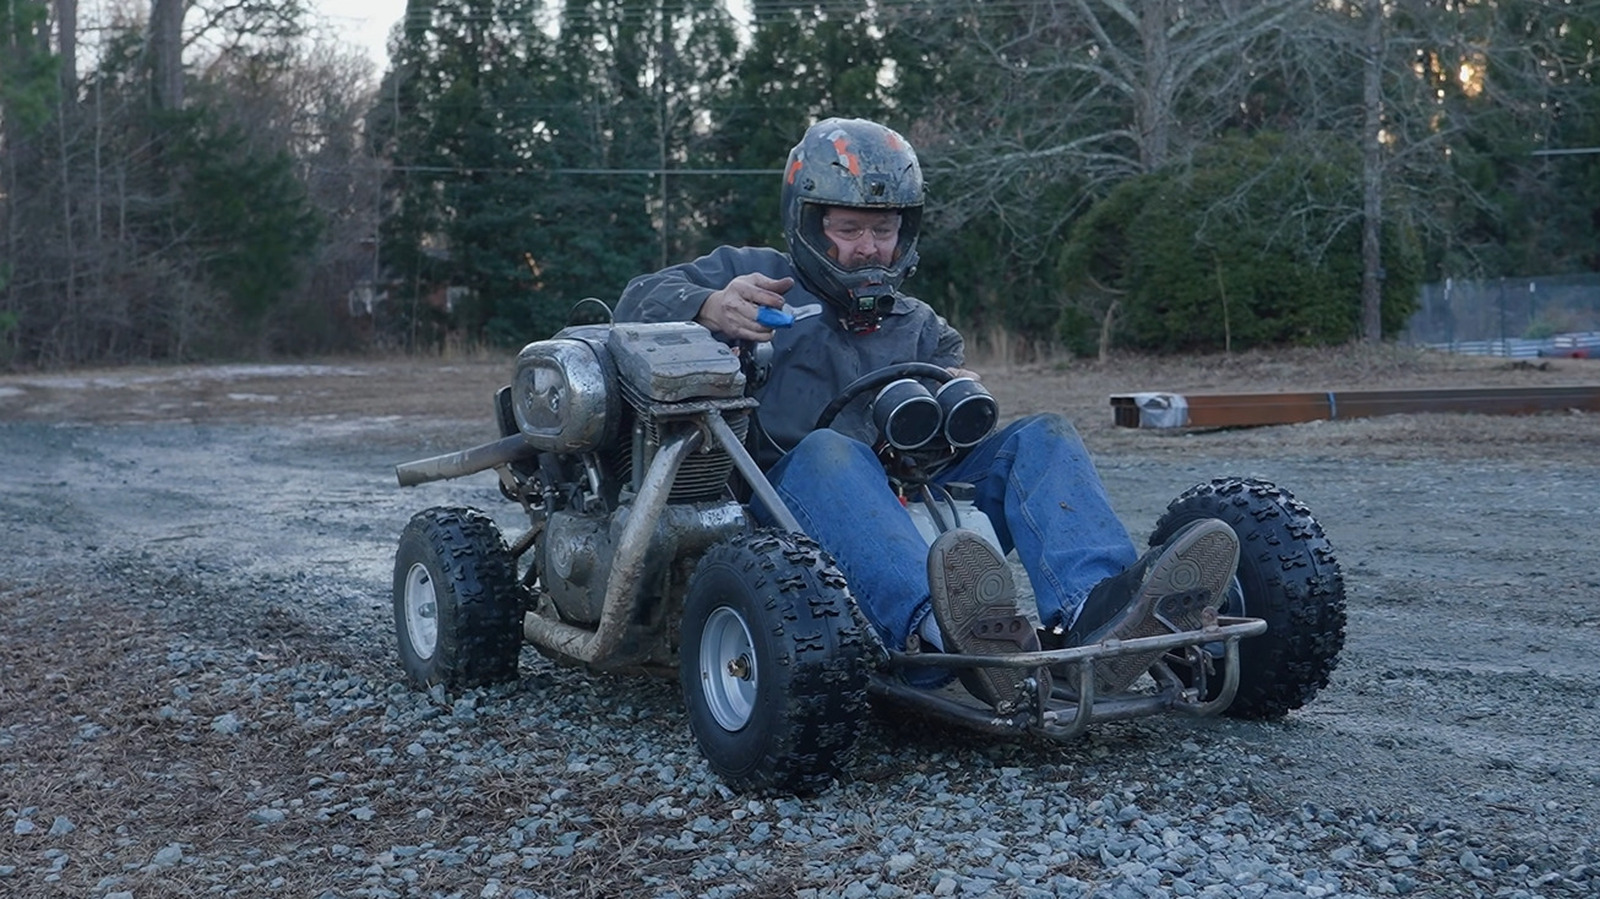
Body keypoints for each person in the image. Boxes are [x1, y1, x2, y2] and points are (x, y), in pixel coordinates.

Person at [613, 117, 1239, 713]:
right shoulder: (755, 277)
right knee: (833, 450)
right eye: (850, 229)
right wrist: (709, 305)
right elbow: (635, 301)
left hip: (910, 496)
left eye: (883, 231)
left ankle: (1101, 619)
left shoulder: (921, 326)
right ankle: (940, 633)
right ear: (809, 222)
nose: (869, 249)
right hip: (779, 508)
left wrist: (964, 393)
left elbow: (961, 432)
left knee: (1044, 434)